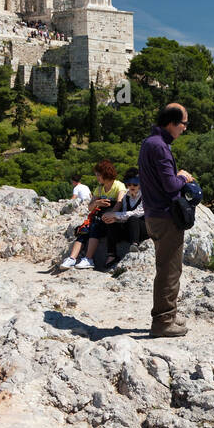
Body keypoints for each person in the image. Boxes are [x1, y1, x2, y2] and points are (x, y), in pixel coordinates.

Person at [138, 103, 195, 337]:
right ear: (172, 123)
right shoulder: (160, 147)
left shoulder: (148, 143)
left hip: (152, 214)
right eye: (184, 124)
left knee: (166, 268)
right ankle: (163, 322)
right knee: (169, 270)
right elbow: (170, 185)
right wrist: (181, 177)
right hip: (166, 217)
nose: (184, 129)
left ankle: (168, 315)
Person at [61, 160, 126, 270]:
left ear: (105, 174)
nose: (97, 178)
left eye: (98, 175)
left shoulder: (119, 186)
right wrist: (97, 203)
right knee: (84, 229)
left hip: (111, 219)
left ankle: (88, 258)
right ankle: (72, 258)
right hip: (99, 216)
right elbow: (90, 207)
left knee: (95, 228)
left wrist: (111, 214)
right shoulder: (99, 188)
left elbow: (119, 203)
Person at [102, 167, 146, 267]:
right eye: (129, 184)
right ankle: (111, 254)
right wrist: (114, 219)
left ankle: (134, 245)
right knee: (111, 223)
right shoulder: (126, 196)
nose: (132, 186)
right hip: (129, 228)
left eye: (135, 184)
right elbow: (125, 213)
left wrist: (114, 214)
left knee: (133, 218)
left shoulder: (145, 195)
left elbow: (138, 212)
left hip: (143, 229)